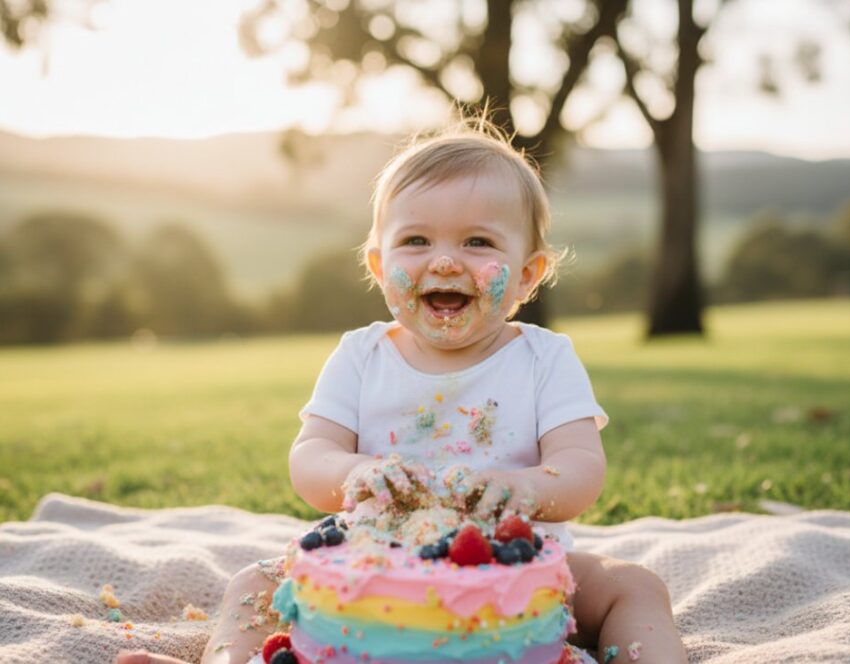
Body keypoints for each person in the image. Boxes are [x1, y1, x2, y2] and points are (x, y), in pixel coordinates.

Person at [118, 119, 687, 664]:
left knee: (633, 586)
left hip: (519, 578)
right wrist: (353, 473)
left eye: (478, 241)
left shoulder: (544, 358)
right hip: (370, 571)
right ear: (378, 262)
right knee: (253, 584)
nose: (443, 260)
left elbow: (581, 467)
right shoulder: (361, 356)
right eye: (415, 240)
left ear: (527, 274)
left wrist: (524, 488)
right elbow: (310, 457)